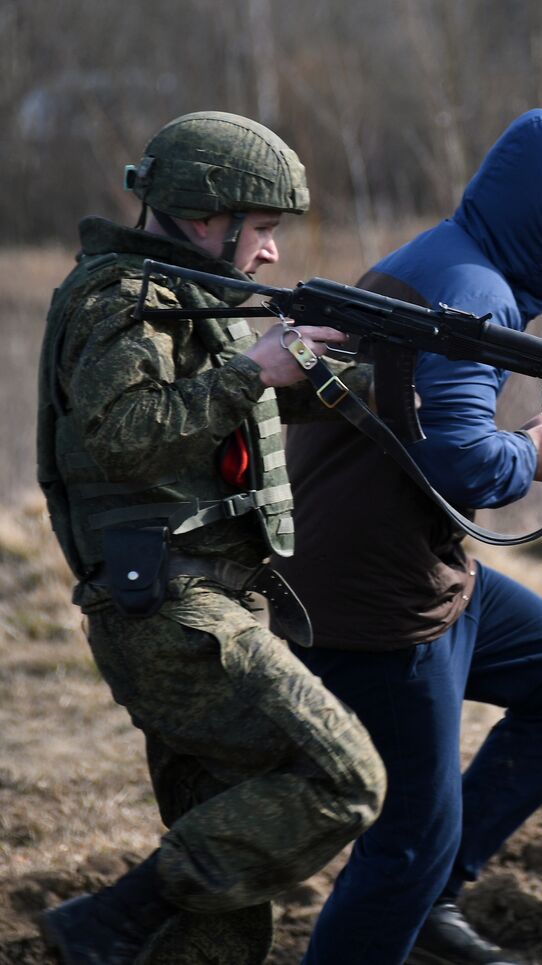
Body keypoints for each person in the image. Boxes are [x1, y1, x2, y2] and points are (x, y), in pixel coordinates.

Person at [271, 108, 542, 965]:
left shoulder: (444, 260)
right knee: (407, 842)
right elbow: (465, 461)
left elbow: (419, 431)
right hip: (380, 597)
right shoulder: (472, 289)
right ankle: (418, 894)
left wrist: (525, 450)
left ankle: (432, 902)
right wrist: (538, 456)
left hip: (419, 567)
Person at [35, 111, 386, 964]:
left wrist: (410, 358)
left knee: (224, 918)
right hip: (171, 615)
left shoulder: (200, 298)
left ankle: (135, 925)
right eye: (262, 229)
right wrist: (251, 370)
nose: (269, 252)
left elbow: (281, 395)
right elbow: (119, 431)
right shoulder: (120, 299)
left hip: (205, 607)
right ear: (206, 216)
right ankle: (111, 915)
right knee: (345, 776)